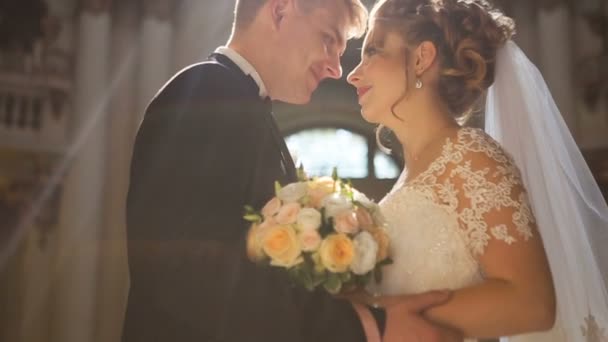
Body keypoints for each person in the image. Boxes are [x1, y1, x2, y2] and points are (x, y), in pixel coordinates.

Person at [122, 1, 461, 341]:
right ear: (281, 10)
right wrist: (368, 326)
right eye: (328, 40)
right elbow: (190, 275)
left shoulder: (241, 104)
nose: (336, 69)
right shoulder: (205, 91)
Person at [342, 0, 608, 340]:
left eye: (373, 51)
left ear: (422, 57)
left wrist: (384, 321)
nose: (354, 73)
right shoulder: (409, 178)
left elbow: (531, 303)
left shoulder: (470, 157)